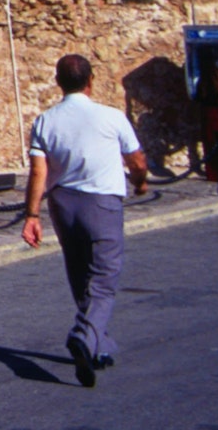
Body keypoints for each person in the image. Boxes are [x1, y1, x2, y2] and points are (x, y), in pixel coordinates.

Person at [22, 54, 148, 388]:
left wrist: (32, 215)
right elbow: (136, 159)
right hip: (102, 202)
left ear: (57, 81)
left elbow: (38, 171)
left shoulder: (45, 121)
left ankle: (99, 346)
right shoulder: (112, 116)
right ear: (91, 80)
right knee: (104, 276)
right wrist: (140, 181)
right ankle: (83, 335)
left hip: (63, 204)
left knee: (79, 272)